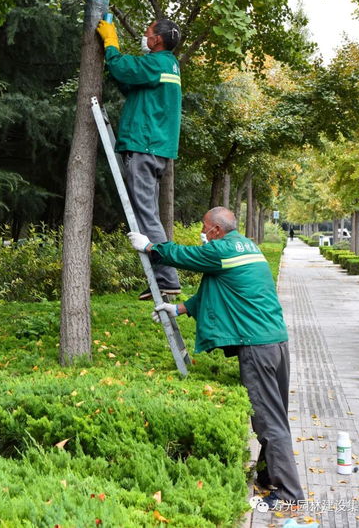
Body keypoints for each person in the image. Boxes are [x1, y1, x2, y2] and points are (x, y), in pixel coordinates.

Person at [127, 206, 305, 509]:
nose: (202, 232)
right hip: (276, 341)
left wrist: (150, 247)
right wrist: (179, 309)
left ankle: (290, 494)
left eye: (203, 227)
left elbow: (184, 256)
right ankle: (267, 476)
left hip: (256, 346)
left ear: (215, 230)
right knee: (276, 415)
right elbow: (221, 289)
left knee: (266, 421)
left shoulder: (220, 250)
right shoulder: (247, 246)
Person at [96, 16, 182, 300]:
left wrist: (111, 42)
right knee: (149, 213)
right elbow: (131, 84)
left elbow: (123, 67)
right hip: (156, 148)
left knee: (145, 214)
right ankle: (165, 276)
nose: (144, 37)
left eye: (147, 33)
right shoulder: (168, 65)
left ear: (157, 39)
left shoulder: (156, 63)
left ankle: (166, 277)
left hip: (145, 146)